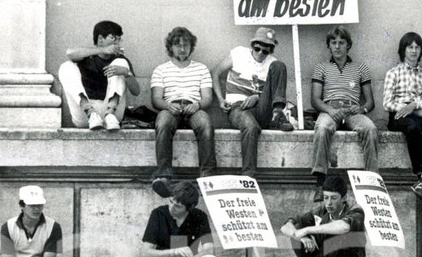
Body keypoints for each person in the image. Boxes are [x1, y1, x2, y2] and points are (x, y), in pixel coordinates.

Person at [114, 179, 220, 257]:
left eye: (178, 206)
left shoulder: (199, 216)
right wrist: (173, 252)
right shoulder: (158, 214)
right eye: (170, 202)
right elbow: (145, 254)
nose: (172, 208)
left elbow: (209, 250)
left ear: (190, 207)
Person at [212, 26, 293, 176]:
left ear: (270, 51)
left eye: (266, 50)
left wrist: (257, 98)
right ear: (252, 45)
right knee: (250, 126)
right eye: (258, 48)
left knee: (279, 66)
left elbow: (269, 93)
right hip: (238, 108)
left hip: (262, 108)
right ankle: (248, 175)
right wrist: (221, 100)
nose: (261, 53)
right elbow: (215, 74)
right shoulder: (238, 54)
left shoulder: (271, 62)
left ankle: (277, 113)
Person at [310, 25, 378, 200]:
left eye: (342, 42)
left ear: (348, 45)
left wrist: (361, 108)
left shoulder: (360, 67)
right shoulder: (321, 67)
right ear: (329, 45)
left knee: (370, 128)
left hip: (352, 109)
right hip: (330, 108)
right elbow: (315, 99)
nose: (338, 47)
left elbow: (370, 102)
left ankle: (372, 179)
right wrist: (331, 110)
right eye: (334, 43)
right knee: (322, 128)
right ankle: (320, 182)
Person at [280, 174, 366, 257]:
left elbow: (344, 227)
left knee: (336, 234)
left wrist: (308, 230)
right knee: (297, 233)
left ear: (344, 198)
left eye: (334, 198)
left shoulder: (355, 210)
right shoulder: (321, 211)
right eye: (325, 198)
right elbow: (286, 226)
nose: (329, 203)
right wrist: (300, 236)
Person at [383, 32, 422, 202]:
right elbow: (387, 102)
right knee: (412, 129)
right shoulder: (393, 73)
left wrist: (413, 106)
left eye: (417, 47)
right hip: (398, 116)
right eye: (410, 47)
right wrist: (406, 108)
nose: (414, 50)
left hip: (419, 112)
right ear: (403, 50)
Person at [150, 27, 216, 182]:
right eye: (178, 45)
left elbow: (207, 97)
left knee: (205, 123)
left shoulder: (201, 69)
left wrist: (197, 105)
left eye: (186, 45)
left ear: (191, 47)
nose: (182, 49)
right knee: (163, 123)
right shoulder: (161, 70)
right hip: (170, 107)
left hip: (193, 107)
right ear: (170, 47)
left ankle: (208, 174)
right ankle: (164, 173)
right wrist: (167, 106)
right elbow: (156, 99)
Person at [58, 20, 140, 131]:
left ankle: (110, 114)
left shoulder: (120, 59)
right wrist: (103, 50)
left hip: (112, 114)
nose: (118, 43)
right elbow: (70, 53)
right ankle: (91, 113)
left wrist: (127, 73)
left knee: (121, 63)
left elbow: (136, 92)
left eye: (119, 39)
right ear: (100, 39)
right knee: (66, 66)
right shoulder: (86, 56)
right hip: (86, 114)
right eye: (113, 38)